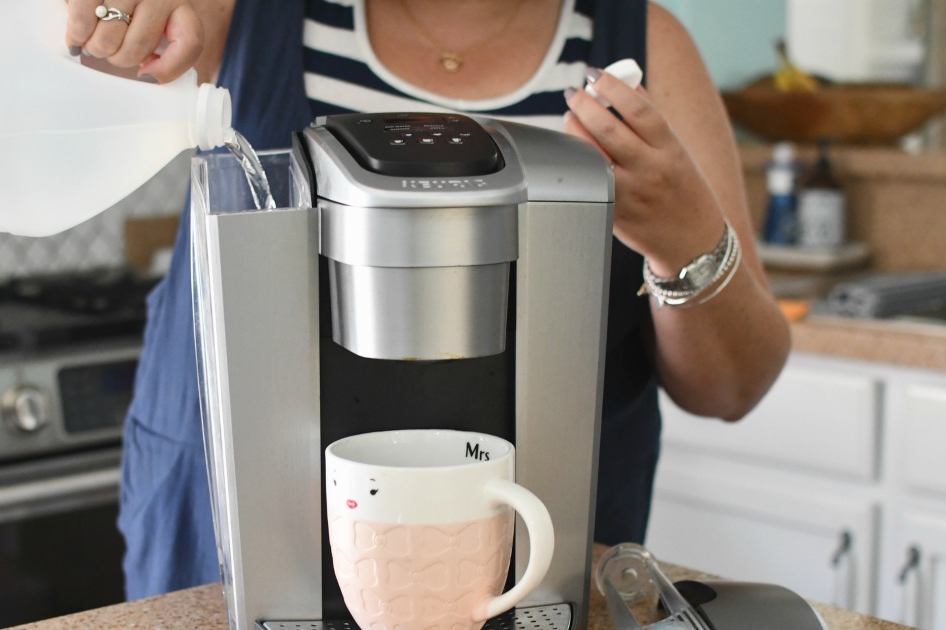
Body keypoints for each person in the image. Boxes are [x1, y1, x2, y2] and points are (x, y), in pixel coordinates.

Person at [65, 0, 792, 599]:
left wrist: (685, 235)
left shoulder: (643, 48)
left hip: (533, 571)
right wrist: (109, 16)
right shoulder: (229, 12)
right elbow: (66, 60)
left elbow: (731, 386)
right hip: (224, 531)